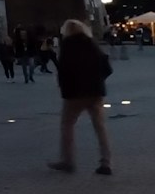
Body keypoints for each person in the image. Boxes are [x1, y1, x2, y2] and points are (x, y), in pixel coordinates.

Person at [49, 19, 114, 176]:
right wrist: (98, 81)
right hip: (96, 92)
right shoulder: (92, 45)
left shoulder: (68, 46)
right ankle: (106, 162)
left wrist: (64, 89)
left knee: (67, 125)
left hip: (75, 94)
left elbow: (63, 70)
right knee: (100, 127)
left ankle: (68, 161)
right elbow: (107, 67)